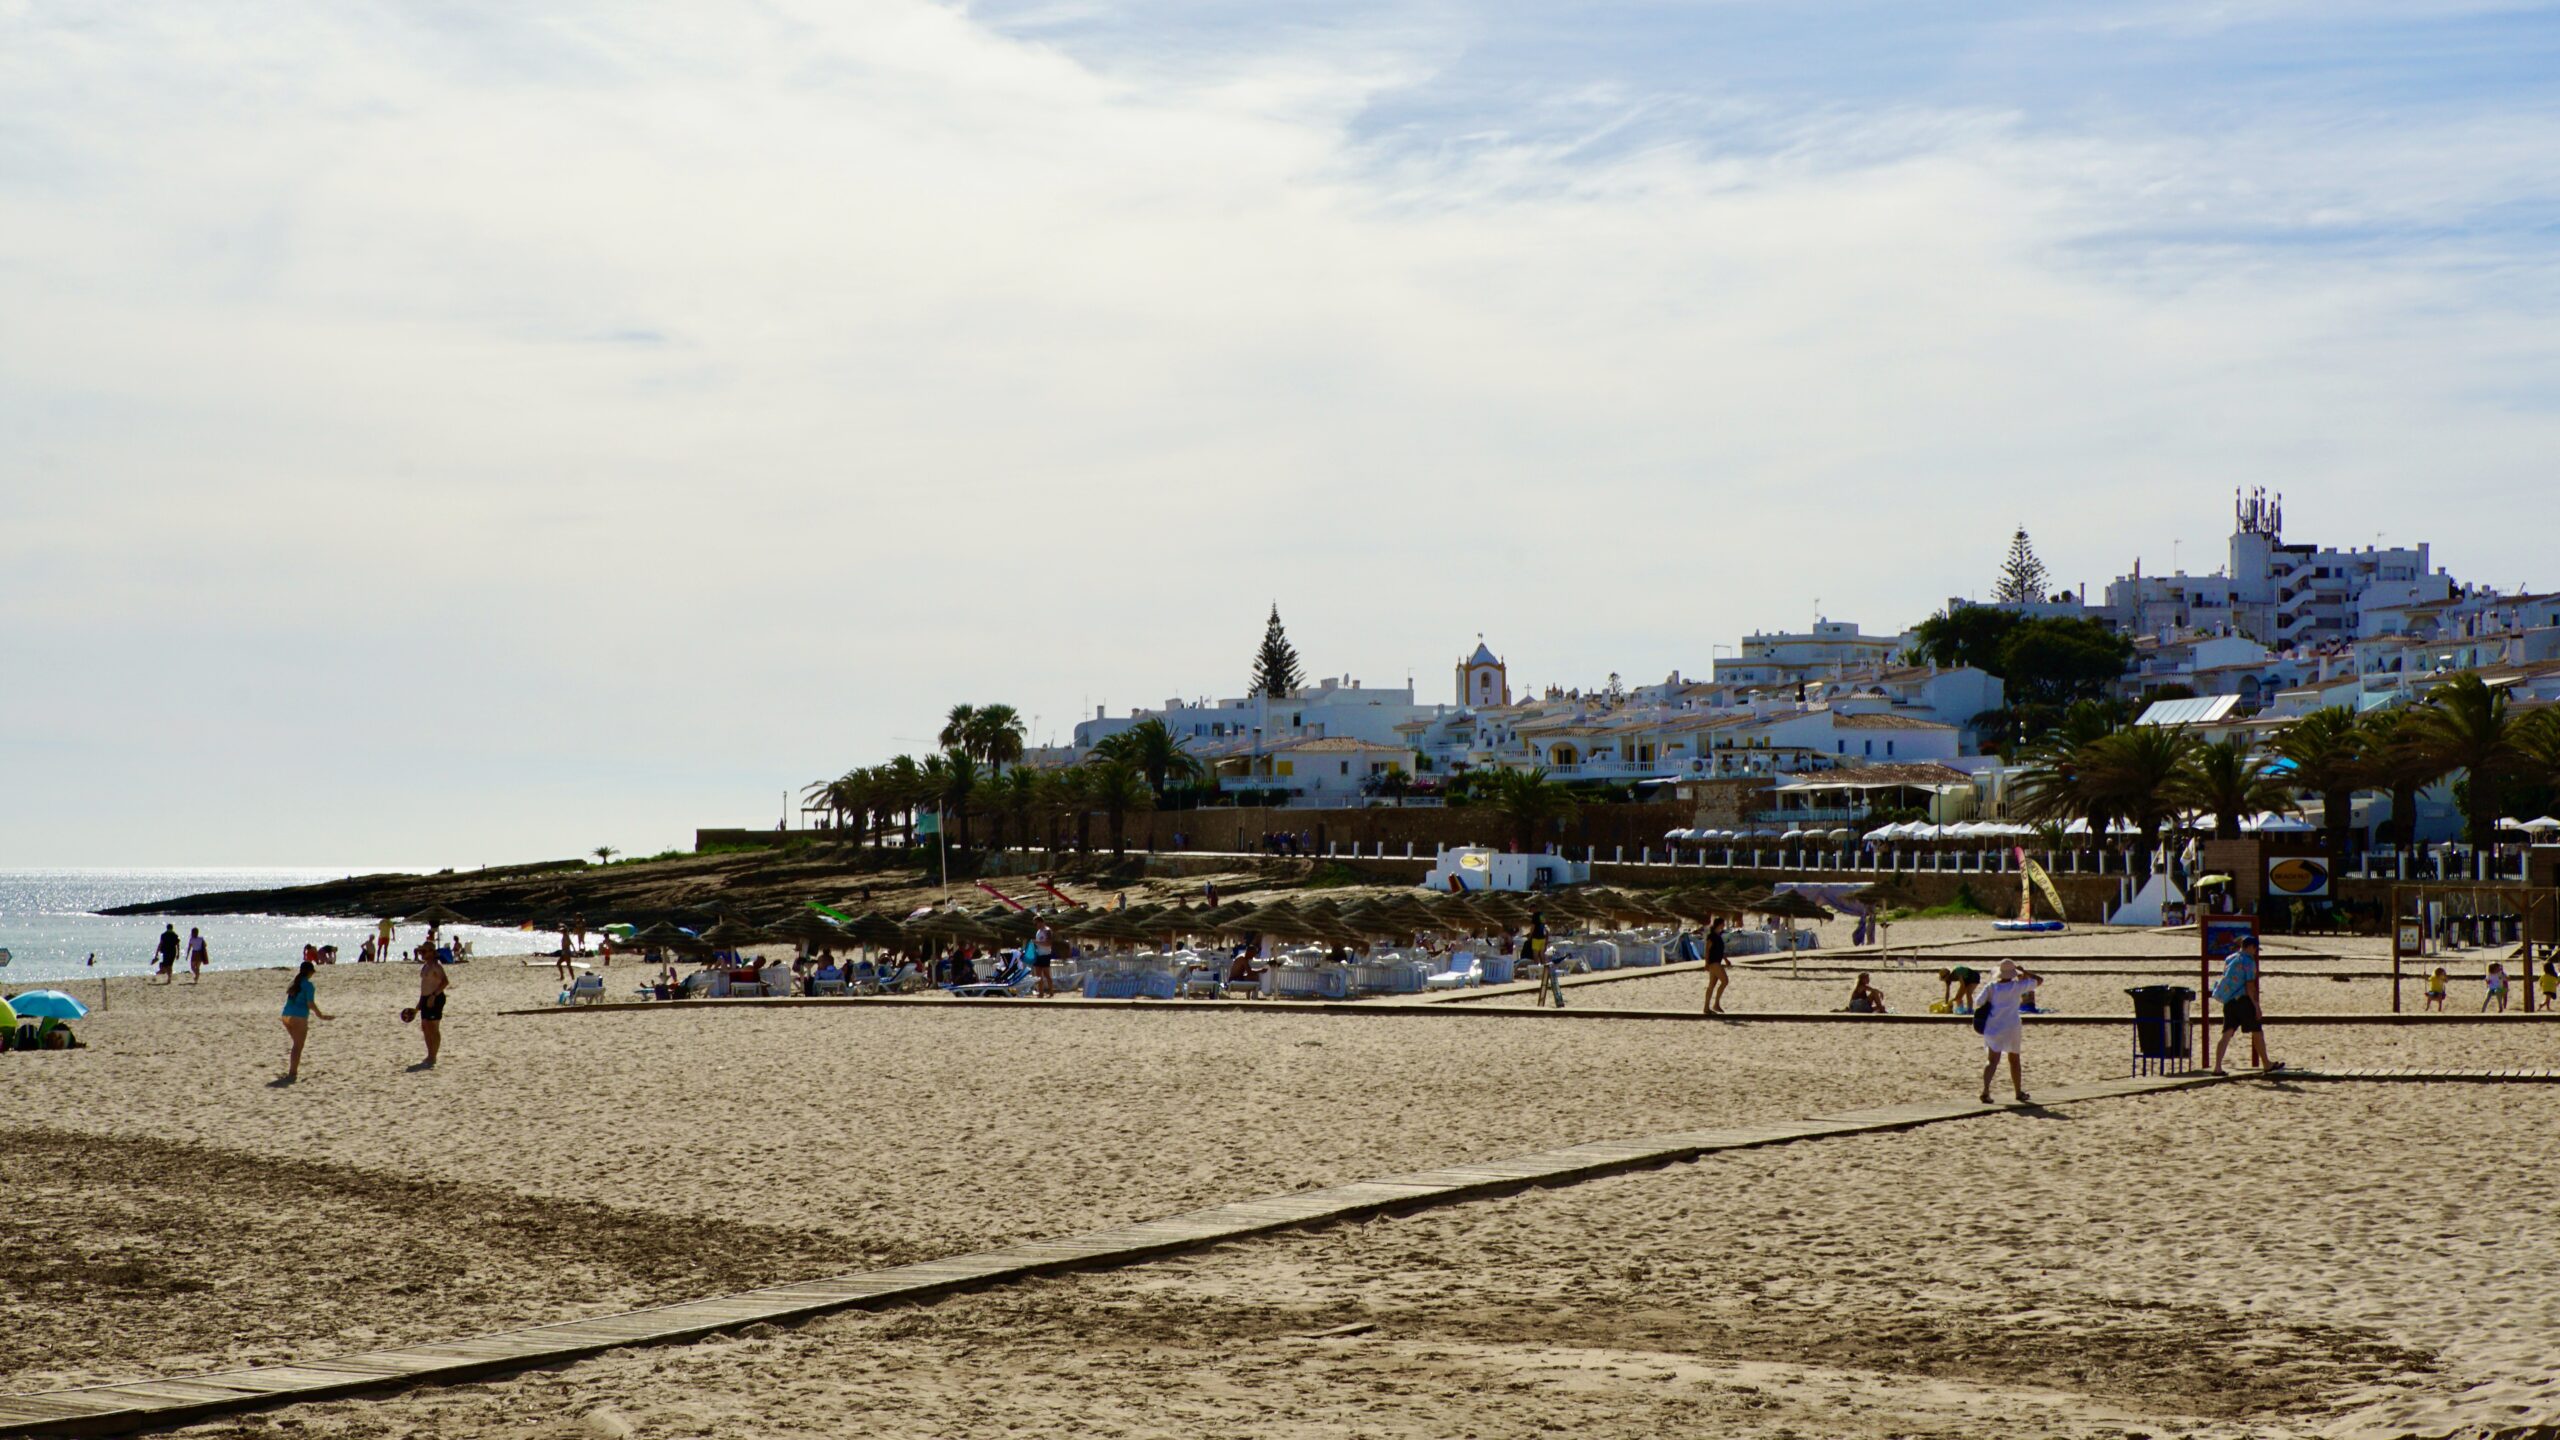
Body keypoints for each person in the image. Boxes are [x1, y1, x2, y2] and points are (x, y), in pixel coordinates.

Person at [1976, 959, 2041, 1104]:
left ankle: (1985, 1090)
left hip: (1993, 1026)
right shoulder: (2017, 986)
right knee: (2014, 1060)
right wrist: (2024, 972)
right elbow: (2039, 980)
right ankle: (2018, 1092)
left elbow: (1978, 1002)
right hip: (2011, 1027)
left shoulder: (1991, 987)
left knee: (1992, 1061)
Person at [2211, 934, 2278, 1072]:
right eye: (2255, 949)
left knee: (2226, 1033)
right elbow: (2249, 986)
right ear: (2250, 947)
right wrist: (2256, 1006)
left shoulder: (2230, 958)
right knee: (2257, 1031)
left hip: (2229, 1001)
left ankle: (2217, 1067)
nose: (2255, 952)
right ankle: (2266, 1063)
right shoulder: (2249, 962)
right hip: (2244, 1001)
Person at [279, 959, 333, 1083]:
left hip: (286, 1015)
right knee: (298, 1046)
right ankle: (292, 1073)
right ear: (309, 972)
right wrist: (320, 1015)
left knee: (296, 1045)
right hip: (299, 1016)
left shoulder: (294, 983)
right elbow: (310, 1003)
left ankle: (292, 1071)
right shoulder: (308, 985)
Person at [414, 945, 449, 1068]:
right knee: (425, 1026)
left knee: (433, 1027)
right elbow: (424, 985)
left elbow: (445, 982)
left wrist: (434, 995)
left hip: (435, 998)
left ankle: (433, 1056)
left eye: (424, 951)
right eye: (421, 951)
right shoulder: (425, 966)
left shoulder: (436, 966)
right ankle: (430, 1054)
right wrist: (420, 1002)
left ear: (432, 952)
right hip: (425, 998)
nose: (421, 953)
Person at [1528, 910, 1561, 1008]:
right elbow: (1546, 929)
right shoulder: (1542, 915)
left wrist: (1529, 936)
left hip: (1536, 938)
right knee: (1542, 954)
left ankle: (1537, 971)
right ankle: (1544, 970)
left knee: (1535, 954)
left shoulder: (1535, 916)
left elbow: (1533, 927)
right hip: (1542, 938)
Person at [1702, 918, 1731, 1015]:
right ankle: (1716, 1004)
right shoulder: (1712, 936)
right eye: (1723, 924)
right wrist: (1706, 963)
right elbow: (1707, 950)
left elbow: (1720, 951)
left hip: (1717, 961)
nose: (1724, 926)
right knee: (1725, 981)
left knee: (1712, 985)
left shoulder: (1718, 936)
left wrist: (1726, 959)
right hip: (1713, 962)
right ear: (1718, 924)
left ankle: (1706, 1007)